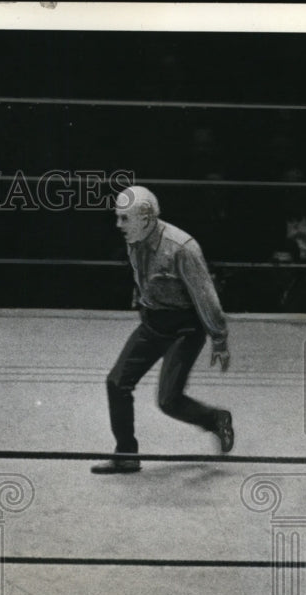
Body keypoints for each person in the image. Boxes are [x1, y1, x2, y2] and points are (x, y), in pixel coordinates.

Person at [92, 186, 234, 475]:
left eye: (123, 219)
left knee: (169, 401)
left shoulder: (182, 248)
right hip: (153, 322)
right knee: (116, 383)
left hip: (185, 328)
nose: (117, 225)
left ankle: (216, 419)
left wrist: (219, 339)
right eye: (117, 218)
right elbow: (143, 276)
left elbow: (206, 297)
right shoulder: (135, 237)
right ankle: (126, 455)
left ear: (146, 219)